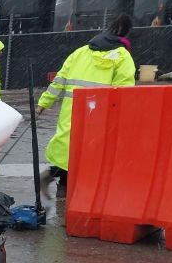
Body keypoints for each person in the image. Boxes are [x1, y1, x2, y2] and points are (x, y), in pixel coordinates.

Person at [37, 14, 136, 196]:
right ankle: (71, 196)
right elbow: (125, 92)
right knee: (90, 156)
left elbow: (59, 80)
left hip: (72, 112)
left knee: (69, 149)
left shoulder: (80, 52)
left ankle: (58, 184)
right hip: (100, 115)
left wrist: (43, 103)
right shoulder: (123, 57)